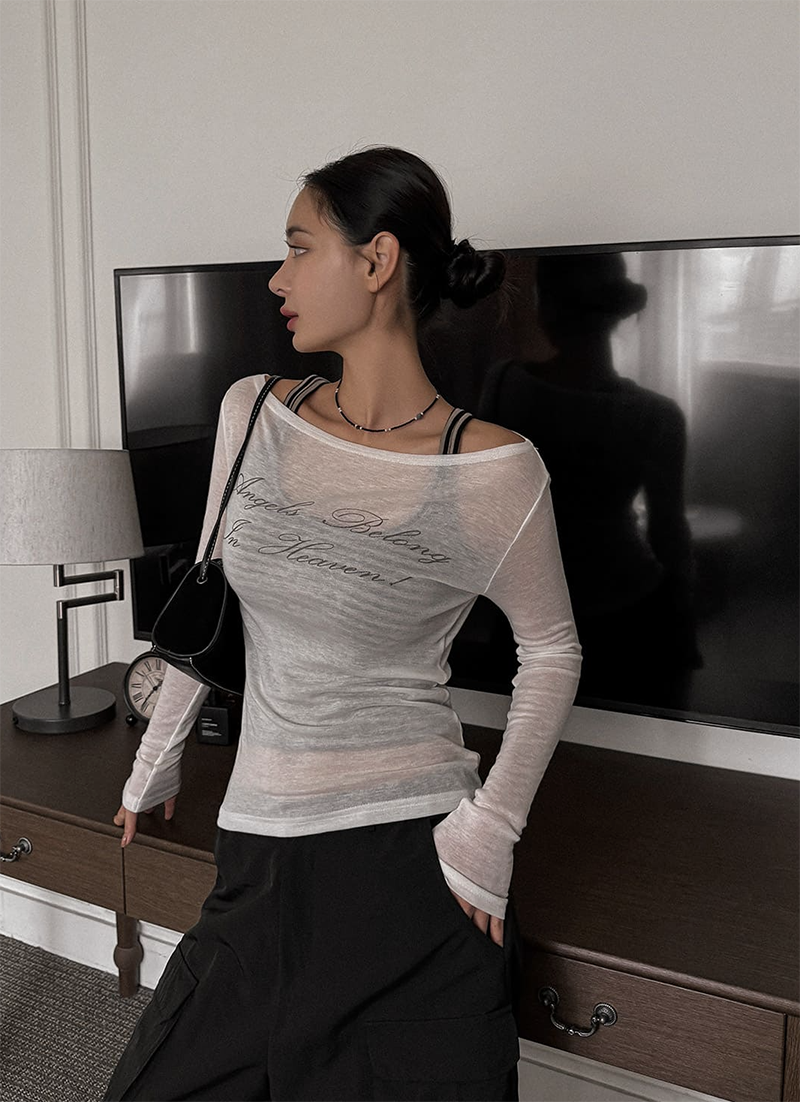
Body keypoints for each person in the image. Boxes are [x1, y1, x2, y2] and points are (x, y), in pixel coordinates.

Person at [103, 146, 582, 1102]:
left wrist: (489, 833)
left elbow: (553, 651)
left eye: (298, 247)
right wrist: (155, 763)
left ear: (377, 260)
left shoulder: (495, 468)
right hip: (258, 850)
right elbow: (210, 601)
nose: (276, 279)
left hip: (412, 860)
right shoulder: (254, 411)